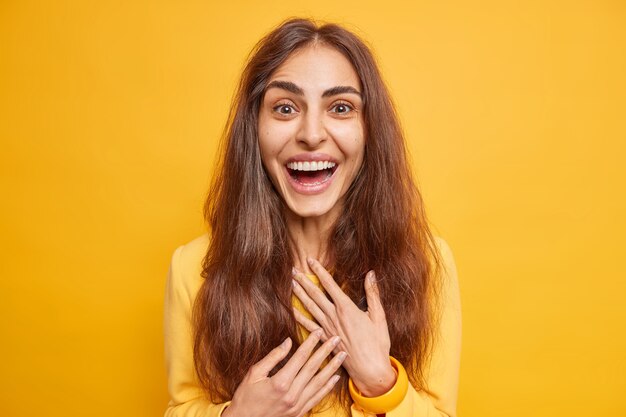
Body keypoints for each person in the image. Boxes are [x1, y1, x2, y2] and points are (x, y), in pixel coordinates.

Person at [163, 17, 461, 417]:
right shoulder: (193, 269)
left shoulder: (427, 263)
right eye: (285, 108)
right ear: (254, 127)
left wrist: (381, 385)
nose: (312, 133)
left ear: (369, 130)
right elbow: (181, 406)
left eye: (340, 108)